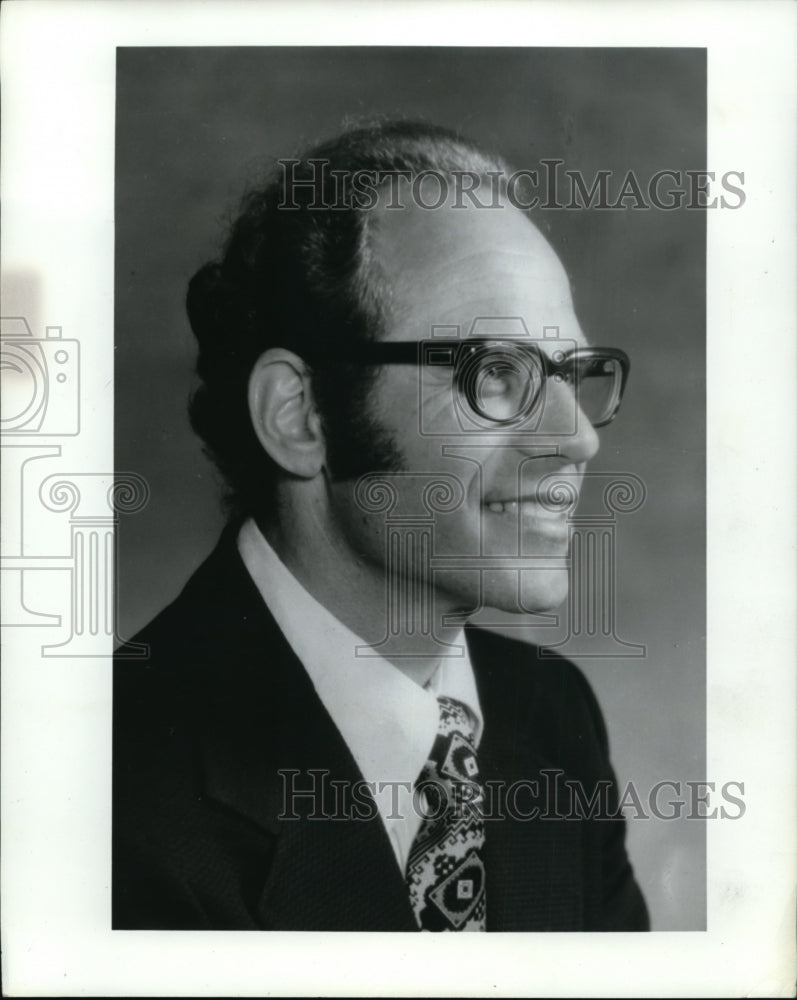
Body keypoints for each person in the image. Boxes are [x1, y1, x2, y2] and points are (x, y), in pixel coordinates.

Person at [113, 120, 649, 932]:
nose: (575, 436)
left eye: (574, 375)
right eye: (495, 373)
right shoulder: (101, 789)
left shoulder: (549, 716)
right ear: (300, 416)